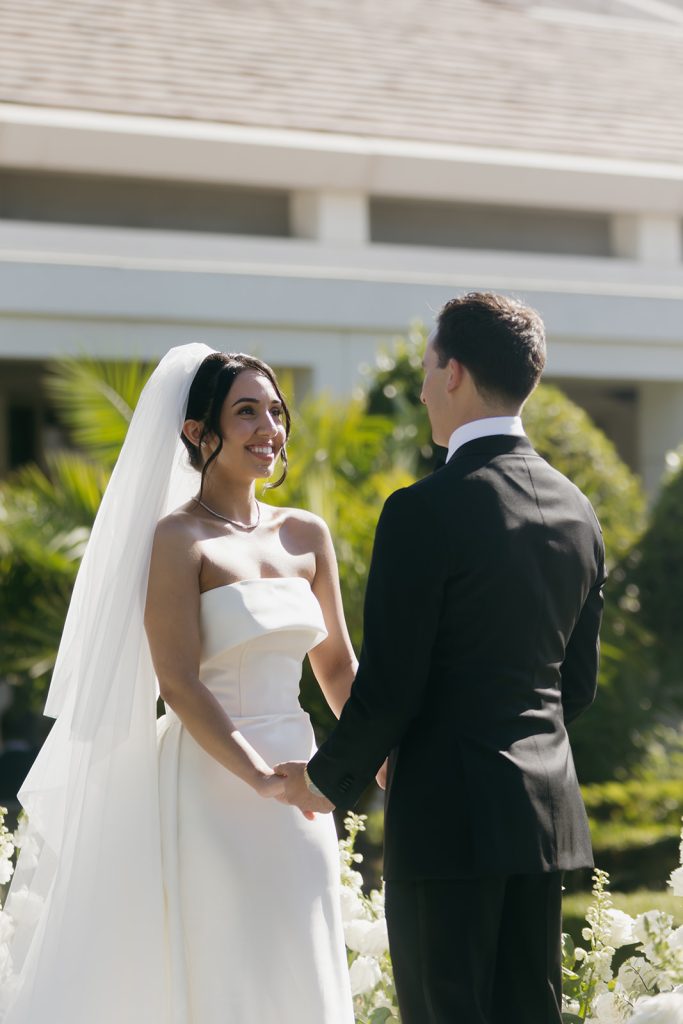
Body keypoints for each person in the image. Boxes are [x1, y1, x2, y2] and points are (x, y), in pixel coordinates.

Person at [0, 346, 355, 1024]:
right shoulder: (178, 537)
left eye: (275, 412)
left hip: (306, 776)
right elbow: (179, 679)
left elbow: (337, 667)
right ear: (198, 433)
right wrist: (259, 777)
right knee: (224, 958)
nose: (268, 430)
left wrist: (373, 757)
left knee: (300, 948)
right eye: (245, 412)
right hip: (212, 776)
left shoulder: (307, 534)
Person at [279, 292, 606, 1024]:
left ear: (452, 373)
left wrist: (322, 782)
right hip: (542, 820)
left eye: (427, 368)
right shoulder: (576, 510)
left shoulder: (422, 510)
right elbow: (574, 686)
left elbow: (392, 686)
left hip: (446, 821)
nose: (423, 387)